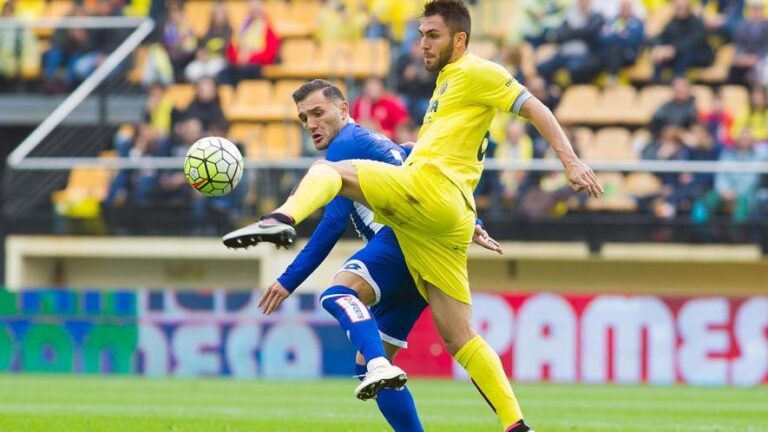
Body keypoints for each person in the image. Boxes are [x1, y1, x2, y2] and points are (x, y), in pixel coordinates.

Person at [224, 1, 602, 431]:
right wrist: (470, 220)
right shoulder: (448, 84)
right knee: (458, 339)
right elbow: (415, 155)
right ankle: (516, 426)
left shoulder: (477, 70)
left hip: (424, 202)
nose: (422, 43)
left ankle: (282, 217)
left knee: (327, 177)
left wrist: (569, 161)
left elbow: (534, 106)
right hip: (444, 219)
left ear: (460, 39)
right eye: (421, 34)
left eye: (433, 35)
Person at [255, 78, 485, 431]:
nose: (311, 124)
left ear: (344, 110)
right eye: (304, 118)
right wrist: (474, 221)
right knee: (368, 363)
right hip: (427, 253)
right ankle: (381, 368)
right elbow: (433, 177)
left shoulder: (344, 146)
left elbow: (332, 224)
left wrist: (288, 281)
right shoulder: (382, 145)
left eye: (318, 113)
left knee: (338, 294)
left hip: (399, 242)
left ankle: (380, 363)